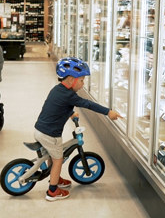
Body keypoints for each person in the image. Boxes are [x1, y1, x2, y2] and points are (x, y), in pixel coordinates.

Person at [35, 57, 122, 201]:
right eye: (81, 80)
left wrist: (70, 113)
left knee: (52, 156)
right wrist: (108, 112)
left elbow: (56, 105)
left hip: (40, 130)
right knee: (58, 159)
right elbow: (87, 104)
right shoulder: (70, 96)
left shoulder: (58, 90)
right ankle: (52, 191)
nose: (83, 84)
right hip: (50, 135)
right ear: (70, 80)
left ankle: (54, 178)